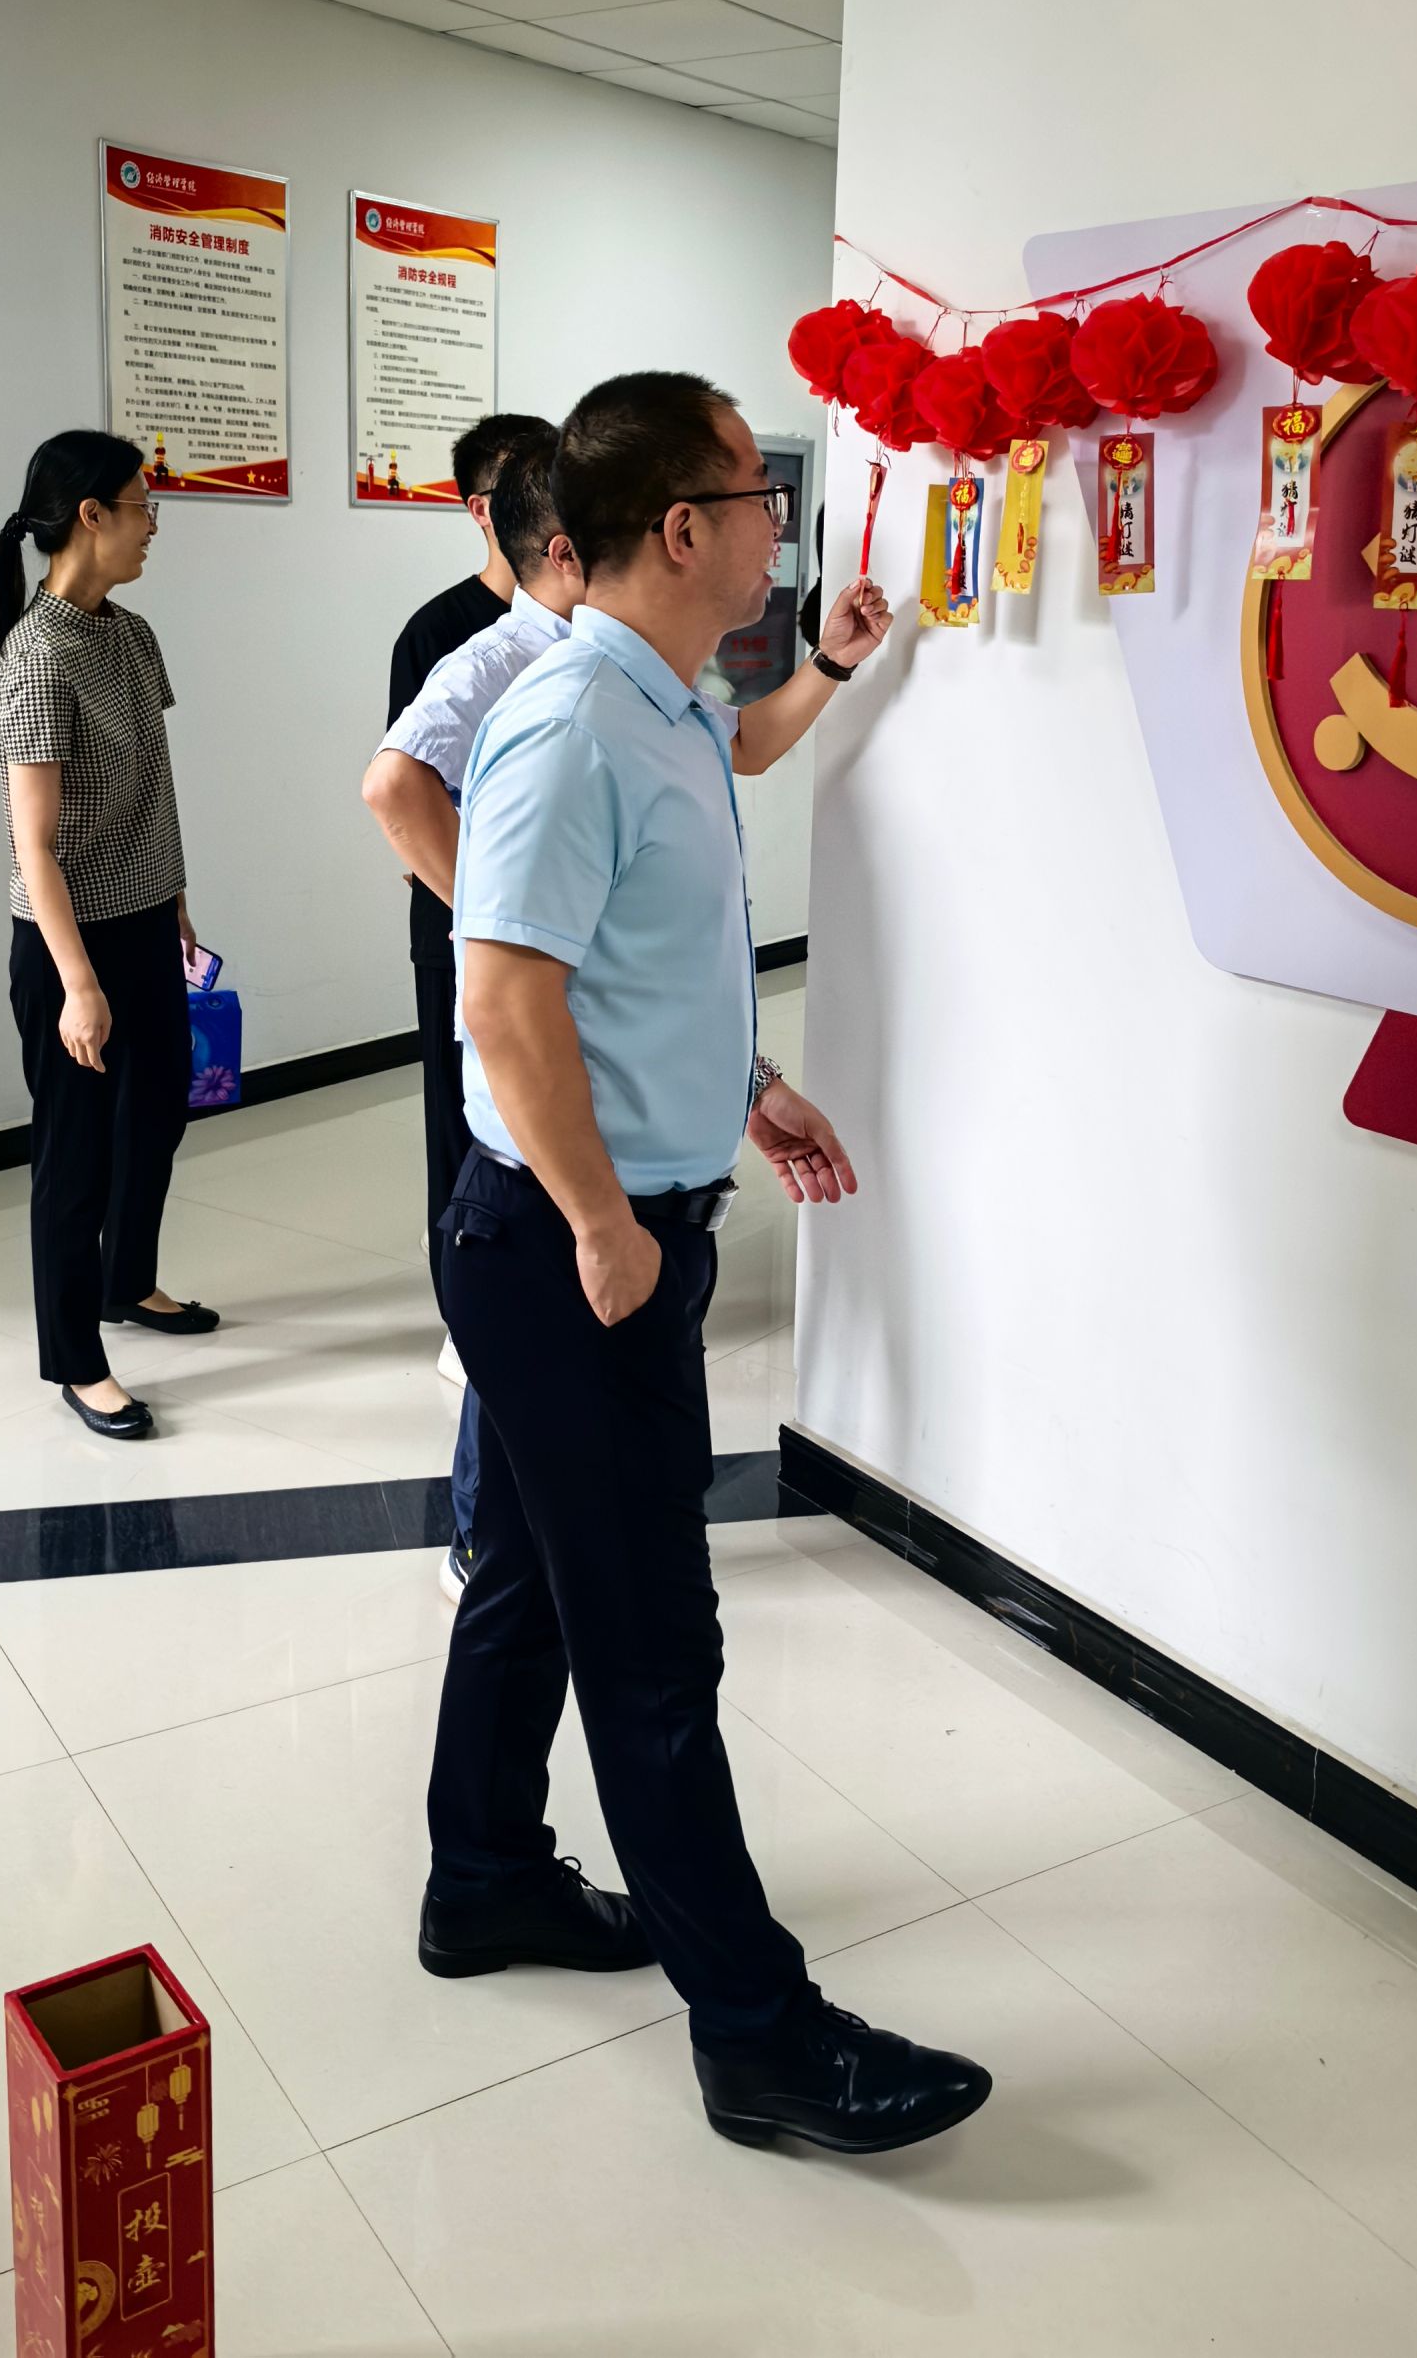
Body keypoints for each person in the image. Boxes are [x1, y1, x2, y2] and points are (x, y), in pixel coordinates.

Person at [419, 371, 991, 2156]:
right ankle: (757, 2034)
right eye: (756, 498)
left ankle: (483, 1874)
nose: (774, 526)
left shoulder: (666, 703)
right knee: (652, 1638)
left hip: (603, 1219)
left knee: (533, 1577)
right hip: (564, 1245)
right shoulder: (571, 719)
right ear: (681, 529)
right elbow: (504, 995)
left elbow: (624, 976)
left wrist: (738, 1089)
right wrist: (606, 1220)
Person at [366, 429, 893, 1602]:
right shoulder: (525, 672)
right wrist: (511, 925)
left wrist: (829, 662)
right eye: (752, 502)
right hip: (559, 1133)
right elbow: (392, 787)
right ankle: (482, 1540)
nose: (770, 529)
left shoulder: (649, 684)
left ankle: (502, 1566)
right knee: (601, 1533)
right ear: (583, 545)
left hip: (633, 1131)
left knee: (546, 1530)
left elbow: (743, 745)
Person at [0, 430, 218, 1444]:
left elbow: (153, 785)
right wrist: (79, 984)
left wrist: (174, 897)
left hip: (144, 916)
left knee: (157, 1111)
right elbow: (32, 844)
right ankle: (76, 1359)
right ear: (91, 515)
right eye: (142, 504)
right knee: (74, 1156)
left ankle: (129, 1282)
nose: (153, 523)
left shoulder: (132, 635)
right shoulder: (35, 657)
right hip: (67, 941)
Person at [387, 413, 554, 1392]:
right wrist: (482, 908)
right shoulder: (444, 634)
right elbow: (406, 792)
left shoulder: (577, 625)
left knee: (537, 1107)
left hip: (542, 921)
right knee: (461, 1121)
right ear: (481, 510)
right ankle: (465, 1310)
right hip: (460, 917)